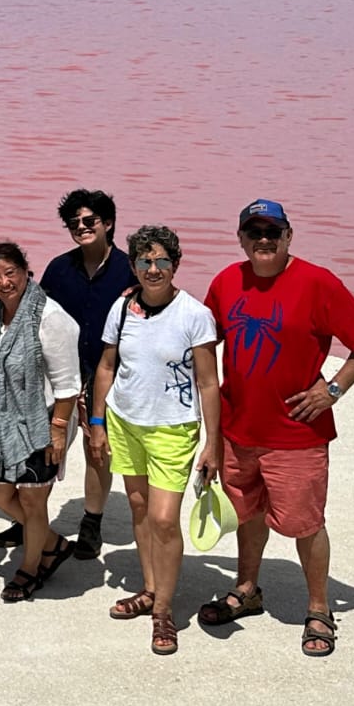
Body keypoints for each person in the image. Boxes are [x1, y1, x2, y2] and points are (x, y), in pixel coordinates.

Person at [198, 200, 354, 658]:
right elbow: (201, 342)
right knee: (246, 514)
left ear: (288, 235)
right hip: (238, 430)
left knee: (305, 525)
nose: (264, 239)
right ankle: (247, 589)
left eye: (273, 231)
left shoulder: (317, 282)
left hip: (297, 435)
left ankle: (319, 608)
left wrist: (333, 391)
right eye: (254, 231)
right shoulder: (226, 281)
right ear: (241, 239)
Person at [86, 225, 220, 655]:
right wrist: (98, 420)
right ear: (133, 266)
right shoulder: (122, 307)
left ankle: (164, 611)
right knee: (140, 509)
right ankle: (148, 589)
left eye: (162, 260)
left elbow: (208, 383)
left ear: (175, 265)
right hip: (126, 422)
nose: (153, 268)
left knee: (164, 519)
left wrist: (212, 443)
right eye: (144, 261)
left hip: (174, 428)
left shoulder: (194, 315)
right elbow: (107, 366)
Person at [0, 243, 82, 603]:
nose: (4, 282)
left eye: (11, 273)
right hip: (3, 425)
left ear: (25, 271)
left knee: (34, 504)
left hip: (45, 422)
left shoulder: (50, 317)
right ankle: (52, 543)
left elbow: (68, 383)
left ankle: (31, 567)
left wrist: (58, 430)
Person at [39, 188, 136, 559]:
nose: (81, 227)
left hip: (109, 371)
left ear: (108, 223)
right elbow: (39, 317)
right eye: (74, 223)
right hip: (61, 371)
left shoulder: (130, 269)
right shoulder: (59, 268)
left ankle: (91, 522)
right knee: (47, 445)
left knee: (98, 449)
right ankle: (33, 516)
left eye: (89, 220)